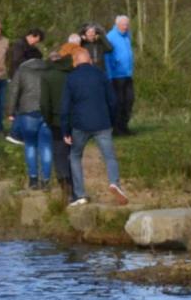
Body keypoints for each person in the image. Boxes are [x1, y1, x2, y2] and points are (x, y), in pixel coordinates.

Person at [60, 45, 128, 206]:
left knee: (75, 156)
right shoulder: (101, 74)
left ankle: (80, 194)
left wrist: (65, 130)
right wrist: (112, 121)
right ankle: (114, 183)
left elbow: (65, 107)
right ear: (90, 60)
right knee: (109, 156)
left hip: (80, 124)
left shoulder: (71, 78)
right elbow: (112, 101)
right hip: (102, 123)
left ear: (75, 62)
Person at [7, 44, 54, 189]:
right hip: (47, 112)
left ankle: (33, 179)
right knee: (46, 146)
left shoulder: (22, 70)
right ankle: (46, 180)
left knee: (30, 145)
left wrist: (10, 112)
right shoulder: (49, 68)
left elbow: (14, 92)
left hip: (28, 112)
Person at [39, 41, 78, 198]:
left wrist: (48, 120)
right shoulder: (71, 74)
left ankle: (65, 186)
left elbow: (44, 103)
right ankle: (76, 187)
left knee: (59, 153)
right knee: (73, 153)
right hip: (74, 119)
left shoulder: (47, 76)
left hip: (56, 121)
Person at [105, 15, 136, 135]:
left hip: (127, 74)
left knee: (129, 100)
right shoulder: (110, 37)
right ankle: (116, 128)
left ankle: (124, 126)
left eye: (127, 24)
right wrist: (110, 75)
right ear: (117, 24)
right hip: (116, 76)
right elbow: (107, 57)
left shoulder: (127, 35)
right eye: (123, 24)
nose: (126, 27)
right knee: (119, 102)